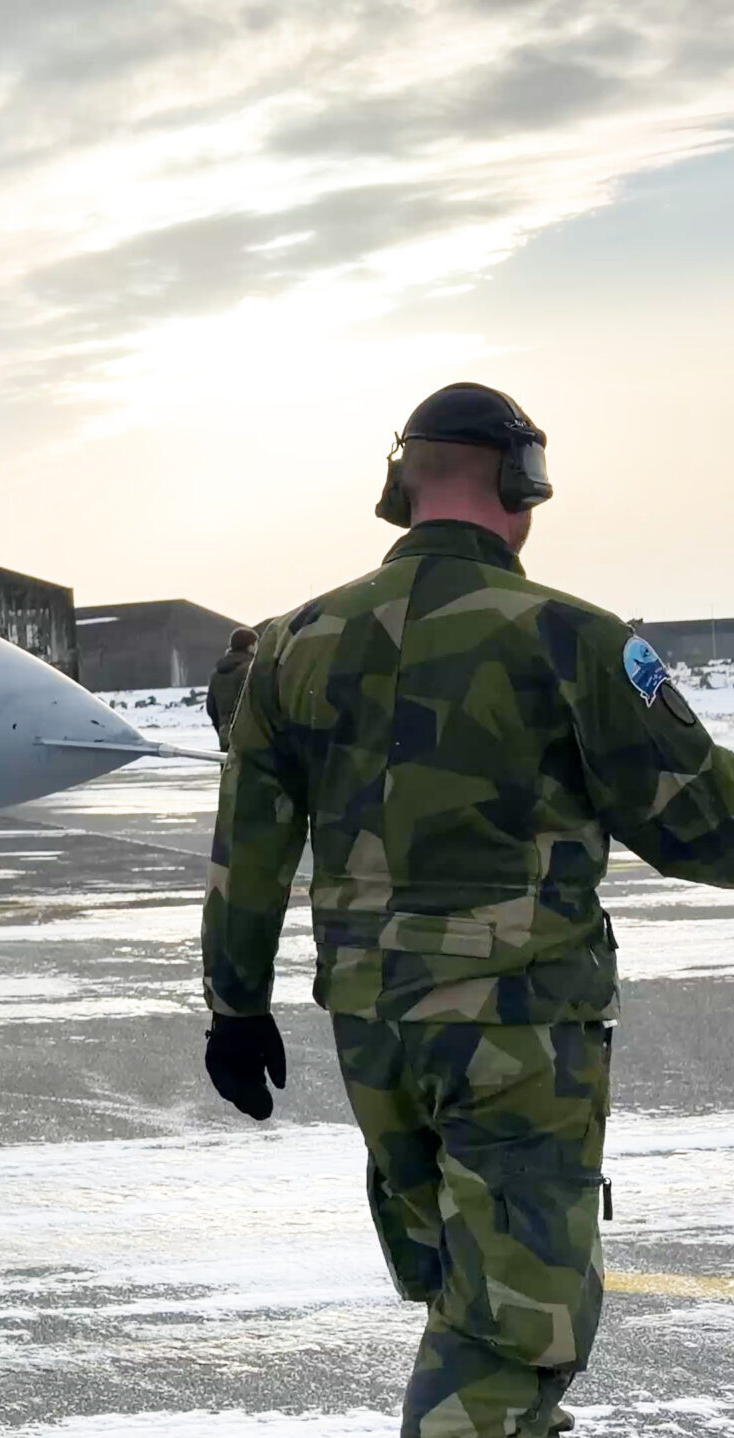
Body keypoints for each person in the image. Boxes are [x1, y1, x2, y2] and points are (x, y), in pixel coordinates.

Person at [202, 382, 734, 1437]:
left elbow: (249, 853)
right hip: (514, 1033)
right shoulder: (567, 638)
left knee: (467, 1284)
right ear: (519, 479)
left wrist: (234, 1006)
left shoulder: (291, 645)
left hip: (375, 1031)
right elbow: (700, 824)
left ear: (400, 485)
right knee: (505, 1326)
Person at [203, 626, 257, 750]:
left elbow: (211, 708)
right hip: (253, 739)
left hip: (226, 736)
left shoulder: (216, 674)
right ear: (250, 646)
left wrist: (223, 729)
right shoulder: (252, 670)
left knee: (229, 767)